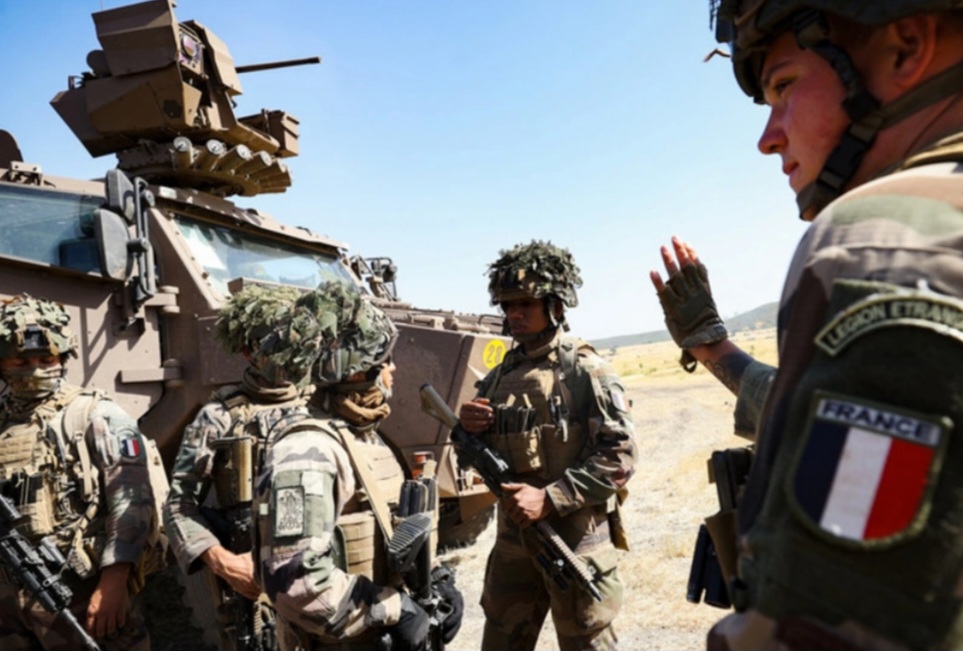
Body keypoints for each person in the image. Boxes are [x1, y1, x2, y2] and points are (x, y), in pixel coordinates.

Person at [650, 2, 963, 649]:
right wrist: (715, 349)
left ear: (905, 46)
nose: (768, 137)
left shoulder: (884, 238)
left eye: (784, 86)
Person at [254, 281, 463, 651]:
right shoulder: (307, 451)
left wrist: (434, 580)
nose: (393, 368)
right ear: (355, 371)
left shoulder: (362, 435)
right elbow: (297, 585)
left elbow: (391, 531)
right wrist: (394, 609)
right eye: (384, 359)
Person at [458, 240, 637, 651]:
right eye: (507, 305)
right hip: (514, 542)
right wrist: (469, 430)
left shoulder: (585, 371)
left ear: (555, 305)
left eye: (525, 303)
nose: (514, 314)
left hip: (572, 542)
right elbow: (472, 457)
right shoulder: (500, 375)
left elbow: (621, 456)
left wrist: (551, 497)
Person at [0, 294, 155, 650]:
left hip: (76, 589)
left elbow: (133, 503)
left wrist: (115, 581)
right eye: (21, 361)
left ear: (63, 357)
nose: (35, 370)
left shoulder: (96, 415)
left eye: (46, 359)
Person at [163, 283, 312, 650]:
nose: (290, 357)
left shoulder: (321, 408)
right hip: (252, 592)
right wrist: (224, 562)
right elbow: (179, 505)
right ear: (249, 351)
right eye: (276, 346)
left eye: (298, 344)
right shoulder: (219, 417)